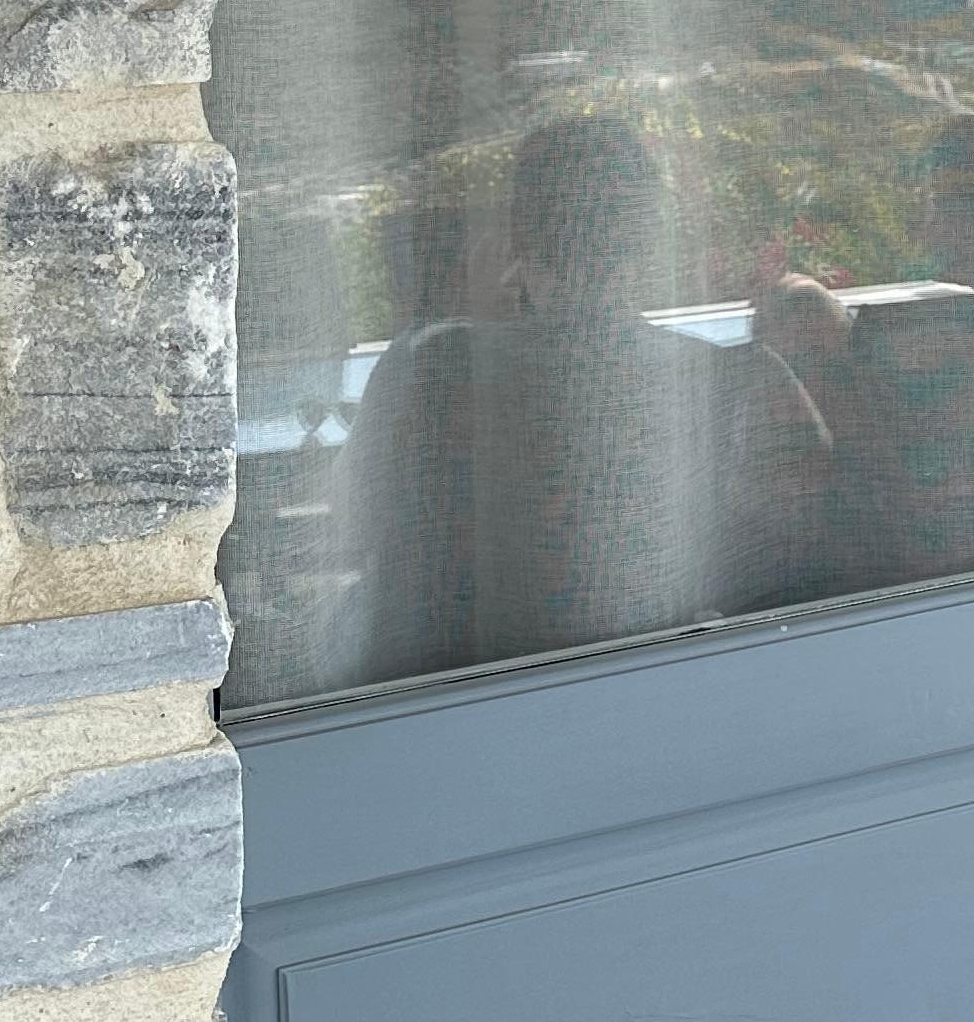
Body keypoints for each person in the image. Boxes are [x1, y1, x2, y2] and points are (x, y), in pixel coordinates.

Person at [342, 114, 832, 676]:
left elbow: (357, 530)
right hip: (662, 684)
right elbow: (790, 582)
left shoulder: (428, 372)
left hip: (449, 700)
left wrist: (462, 319)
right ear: (649, 238)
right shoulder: (738, 384)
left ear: (517, 238)